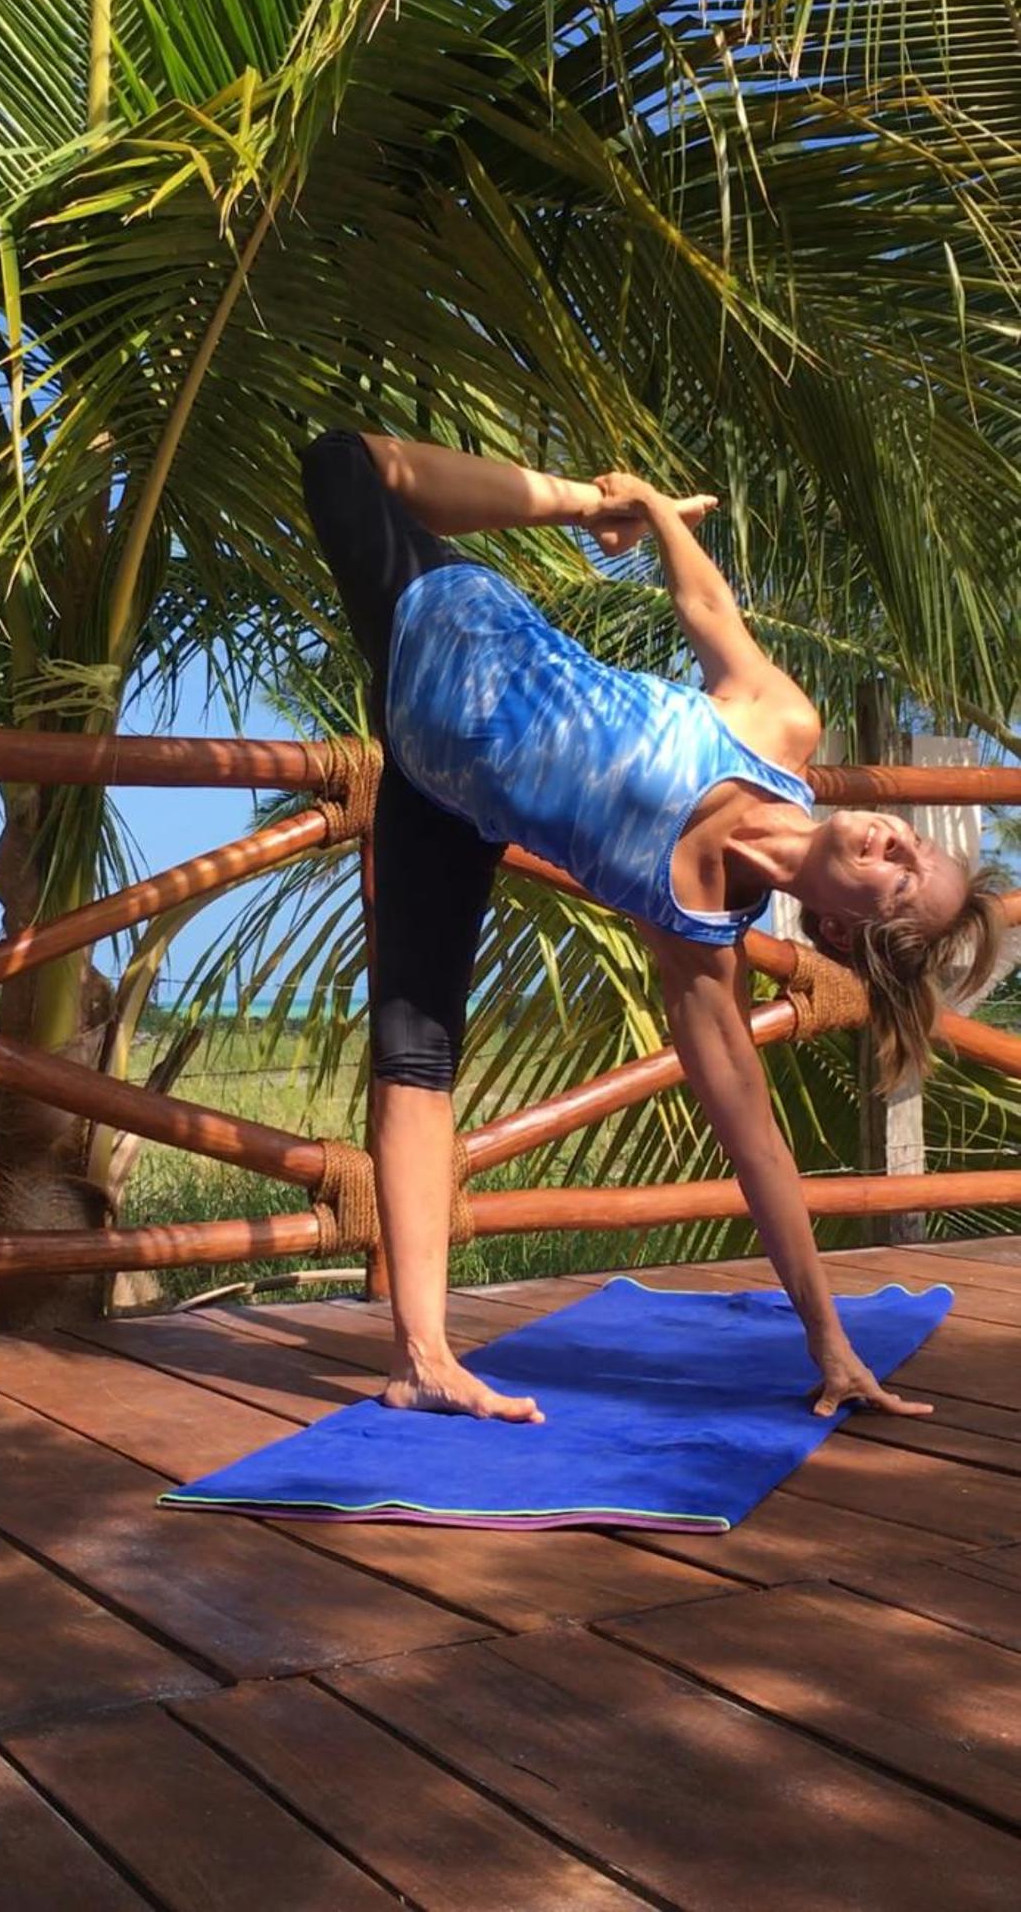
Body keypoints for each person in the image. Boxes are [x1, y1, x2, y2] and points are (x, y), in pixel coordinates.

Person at [300, 426, 1001, 1426]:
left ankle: (424, 1358)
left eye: (901, 882)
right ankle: (575, 499)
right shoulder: (778, 727)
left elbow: (761, 1151)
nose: (896, 841)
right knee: (343, 461)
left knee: (416, 1050)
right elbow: (708, 609)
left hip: (438, 792)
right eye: (914, 844)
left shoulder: (700, 944)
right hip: (451, 618)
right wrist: (640, 512)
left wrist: (831, 1344)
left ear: (842, 933)